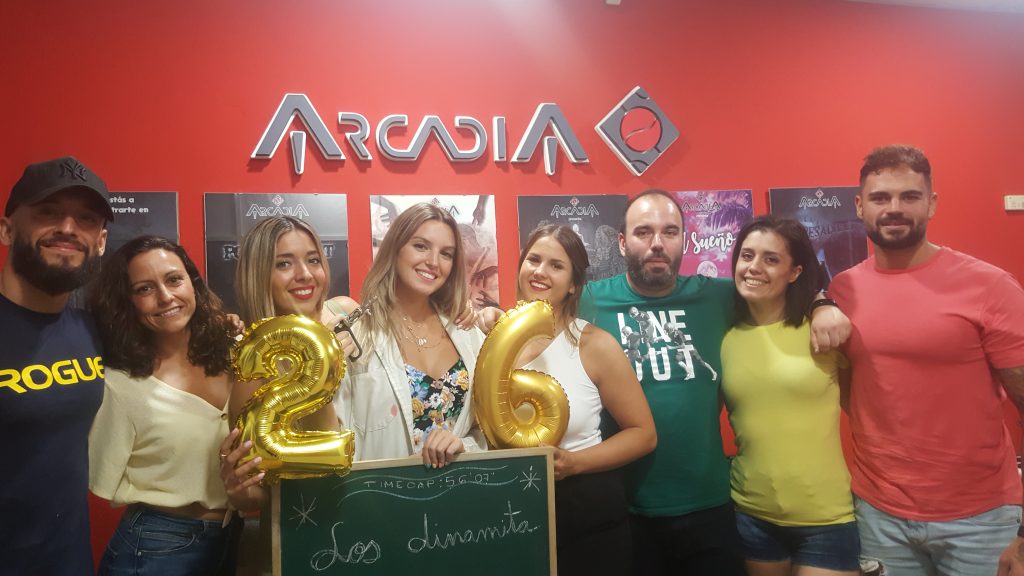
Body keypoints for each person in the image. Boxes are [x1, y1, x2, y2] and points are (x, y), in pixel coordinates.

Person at [578, 188, 851, 576]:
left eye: (670, 231)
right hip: (626, 507)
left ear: (684, 240)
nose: (657, 243)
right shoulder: (588, 301)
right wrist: (490, 316)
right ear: (622, 243)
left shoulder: (720, 296)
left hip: (710, 506)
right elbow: (533, 315)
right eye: (643, 232)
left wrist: (823, 304)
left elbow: (780, 285)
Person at [828, 144, 1024, 576]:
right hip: (879, 516)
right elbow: (852, 395)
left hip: (981, 520)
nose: (894, 208)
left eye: (910, 196)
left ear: (931, 203)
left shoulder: (990, 287)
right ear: (860, 206)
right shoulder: (842, 291)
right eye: (880, 197)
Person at [88, 236, 242, 575]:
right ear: (127, 301)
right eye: (144, 288)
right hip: (156, 548)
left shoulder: (234, 353)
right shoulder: (119, 384)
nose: (165, 297)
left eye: (174, 280)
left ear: (193, 283)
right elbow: (100, 477)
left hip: (233, 536)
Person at [515, 224, 656, 576]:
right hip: (512, 514)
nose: (540, 271)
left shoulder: (595, 345)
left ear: (573, 284)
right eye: (533, 260)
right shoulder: (488, 338)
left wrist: (574, 463)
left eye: (556, 265)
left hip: (586, 518)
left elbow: (643, 434)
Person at [721, 216, 859, 576]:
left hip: (827, 518)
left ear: (795, 271)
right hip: (751, 514)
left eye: (771, 259)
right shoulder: (725, 336)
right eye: (747, 255)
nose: (754, 267)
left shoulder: (824, 330)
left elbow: (865, 409)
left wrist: (822, 302)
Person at [0, 156, 112, 575]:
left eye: (86, 219)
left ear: (100, 241)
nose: (68, 227)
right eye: (48, 212)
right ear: (7, 229)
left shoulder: (92, 329)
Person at [331, 203, 487, 467]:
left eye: (446, 254)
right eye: (421, 246)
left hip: (460, 489)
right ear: (395, 249)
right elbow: (336, 433)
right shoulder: (357, 335)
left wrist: (464, 447)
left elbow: (487, 431)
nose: (433, 262)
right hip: (380, 491)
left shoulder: (467, 333)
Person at [220, 215, 347, 512]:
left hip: (384, 501)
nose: (305, 274)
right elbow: (262, 494)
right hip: (319, 521)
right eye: (284, 264)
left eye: (313, 260)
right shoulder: (253, 367)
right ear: (258, 275)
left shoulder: (346, 314)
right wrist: (239, 492)